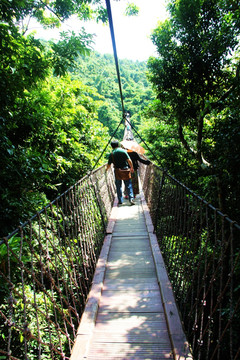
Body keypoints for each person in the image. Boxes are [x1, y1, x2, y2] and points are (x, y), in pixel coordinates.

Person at [106, 140, 135, 206]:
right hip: (125, 170)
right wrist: (131, 168)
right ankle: (131, 198)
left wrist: (106, 170)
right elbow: (129, 160)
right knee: (128, 185)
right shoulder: (123, 151)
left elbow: (109, 164)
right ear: (118, 145)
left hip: (117, 171)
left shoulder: (112, 153)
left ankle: (120, 200)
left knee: (118, 186)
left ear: (112, 146)